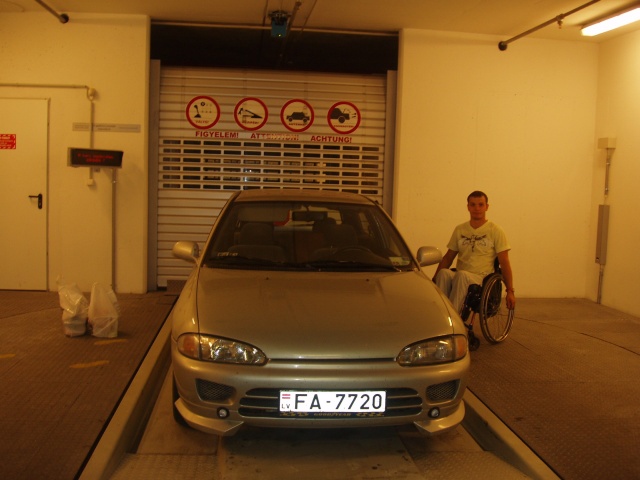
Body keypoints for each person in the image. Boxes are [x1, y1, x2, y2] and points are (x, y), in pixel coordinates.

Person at [433, 191, 515, 314]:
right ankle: (440, 314)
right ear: (468, 207)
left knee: (462, 276)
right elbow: (448, 257)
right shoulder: (460, 229)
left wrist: (510, 290)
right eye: (473, 205)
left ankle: (454, 318)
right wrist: (434, 280)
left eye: (481, 205)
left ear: (487, 207)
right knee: (444, 273)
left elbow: (504, 262)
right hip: (461, 273)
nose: (477, 208)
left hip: (481, 277)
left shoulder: (495, 230)